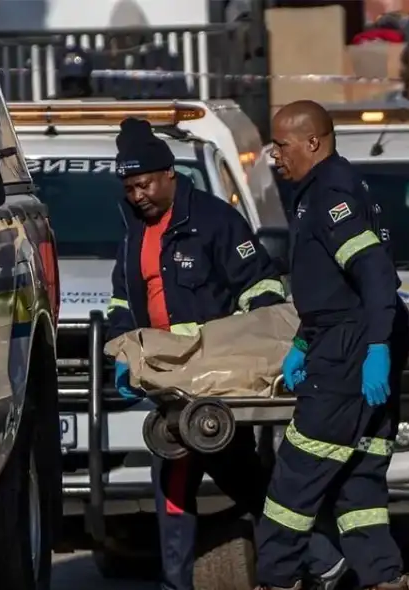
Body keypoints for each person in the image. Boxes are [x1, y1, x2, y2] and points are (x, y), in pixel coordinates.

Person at [105, 118, 346, 590]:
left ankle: (320, 558)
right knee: (175, 485)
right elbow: (122, 301)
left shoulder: (215, 221)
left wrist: (258, 350)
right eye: (130, 187)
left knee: (243, 479)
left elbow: (261, 287)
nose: (138, 195)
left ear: (169, 173)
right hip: (168, 383)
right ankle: (179, 582)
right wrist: (122, 351)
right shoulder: (134, 231)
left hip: (220, 381)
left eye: (144, 184)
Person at [255, 100, 409, 590]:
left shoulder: (330, 195)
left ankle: (275, 580)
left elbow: (373, 271)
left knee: (294, 482)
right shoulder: (323, 190)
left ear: (313, 142)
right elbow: (334, 284)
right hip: (349, 335)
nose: (273, 156)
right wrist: (304, 339)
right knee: (358, 483)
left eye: (281, 146)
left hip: (352, 345)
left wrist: (375, 346)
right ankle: (384, 580)